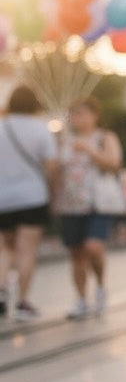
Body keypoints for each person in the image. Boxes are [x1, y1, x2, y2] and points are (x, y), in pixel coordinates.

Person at [56, 97, 125, 320]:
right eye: (74, 114)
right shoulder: (65, 141)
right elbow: (57, 169)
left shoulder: (105, 138)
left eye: (82, 113)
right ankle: (81, 299)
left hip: (98, 202)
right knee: (76, 253)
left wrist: (90, 150)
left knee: (93, 247)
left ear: (94, 115)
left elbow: (114, 163)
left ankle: (101, 286)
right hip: (71, 203)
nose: (77, 118)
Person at [0, 85, 59, 321]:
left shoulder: (1, 126)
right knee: (27, 250)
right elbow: (52, 167)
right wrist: (53, 195)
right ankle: (23, 303)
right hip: (33, 196)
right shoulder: (40, 129)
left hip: (3, 198)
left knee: (5, 248)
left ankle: (1, 290)